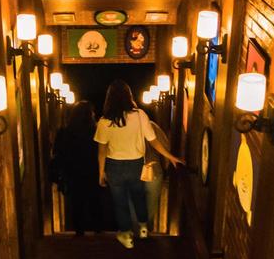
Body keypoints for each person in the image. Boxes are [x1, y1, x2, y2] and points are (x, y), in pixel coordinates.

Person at [95, 80, 182, 249]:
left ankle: (127, 236)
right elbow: (154, 140)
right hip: (136, 164)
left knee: (120, 202)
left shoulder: (104, 121)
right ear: (129, 96)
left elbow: (102, 151)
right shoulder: (140, 115)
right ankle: (143, 228)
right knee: (138, 196)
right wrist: (170, 157)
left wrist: (101, 172)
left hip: (114, 166)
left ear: (109, 99)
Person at [51, 101, 103, 236]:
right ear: (90, 115)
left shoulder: (65, 132)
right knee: (94, 201)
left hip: (73, 172)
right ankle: (98, 230)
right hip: (93, 171)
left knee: (76, 202)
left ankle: (79, 231)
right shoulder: (96, 131)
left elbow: (58, 152)